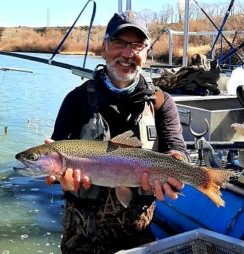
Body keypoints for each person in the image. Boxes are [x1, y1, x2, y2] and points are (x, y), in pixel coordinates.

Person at [46, 11, 189, 254]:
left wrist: (179, 170)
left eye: (136, 46)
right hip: (80, 239)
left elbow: (178, 151)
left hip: (139, 238)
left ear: (146, 53)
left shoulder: (162, 103)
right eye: (119, 43)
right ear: (104, 49)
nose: (127, 53)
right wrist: (63, 181)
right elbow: (58, 168)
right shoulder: (76, 100)